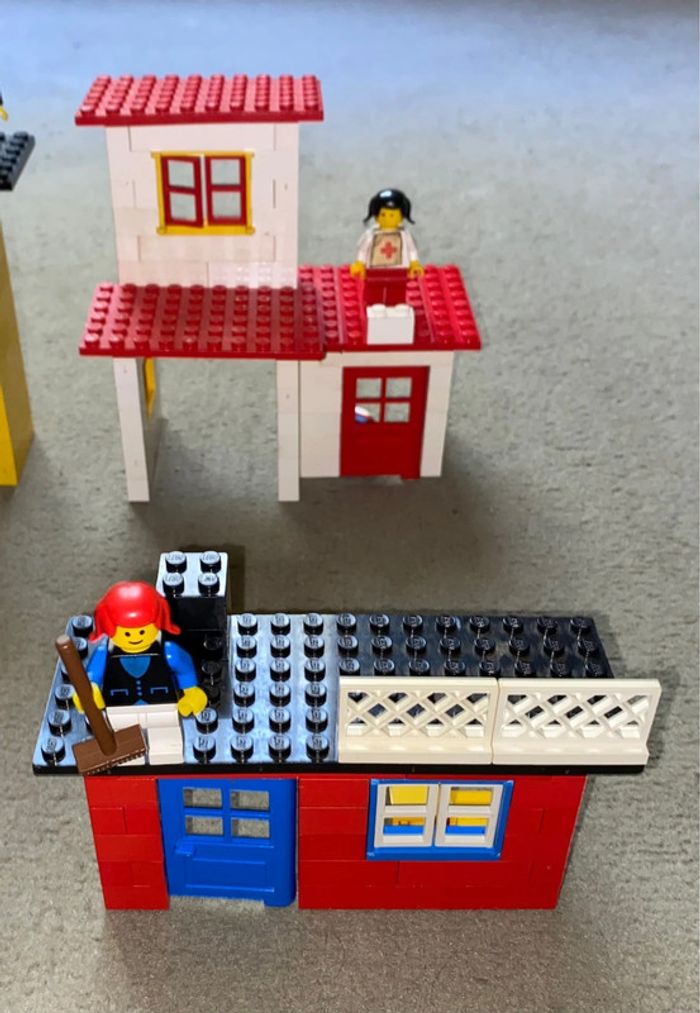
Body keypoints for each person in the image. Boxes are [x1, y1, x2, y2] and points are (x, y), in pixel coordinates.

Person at [73, 581, 207, 763]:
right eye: (127, 633)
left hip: (162, 706)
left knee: (166, 744)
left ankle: (167, 764)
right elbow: (93, 676)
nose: (135, 637)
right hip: (120, 708)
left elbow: (183, 668)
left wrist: (191, 692)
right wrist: (89, 691)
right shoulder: (104, 654)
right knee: (126, 750)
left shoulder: (167, 651)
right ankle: (131, 767)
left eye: (142, 631)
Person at [350, 188, 423, 306]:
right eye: (383, 214)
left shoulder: (404, 235)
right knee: (374, 288)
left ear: (401, 216)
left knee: (397, 288)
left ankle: (396, 305)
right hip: (374, 268)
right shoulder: (371, 234)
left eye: (392, 215)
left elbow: (412, 250)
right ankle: (373, 305)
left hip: (399, 268)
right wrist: (359, 263)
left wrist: (414, 263)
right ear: (376, 215)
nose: (387, 218)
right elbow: (363, 250)